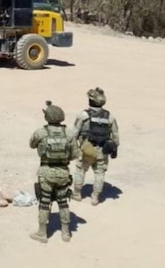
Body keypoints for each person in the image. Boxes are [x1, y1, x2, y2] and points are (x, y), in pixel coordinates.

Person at [29, 101, 81, 243]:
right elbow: (75, 155)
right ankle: (65, 233)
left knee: (45, 202)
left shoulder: (41, 132)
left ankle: (42, 233)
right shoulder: (69, 134)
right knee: (63, 202)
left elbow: (31, 144)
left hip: (46, 172)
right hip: (63, 172)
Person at [72, 87, 120, 206]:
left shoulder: (84, 115)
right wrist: (114, 149)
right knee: (100, 173)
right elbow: (115, 136)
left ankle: (77, 194)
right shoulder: (110, 117)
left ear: (90, 101)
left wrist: (75, 148)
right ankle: (95, 197)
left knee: (81, 170)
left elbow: (74, 134)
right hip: (102, 149)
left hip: (86, 148)